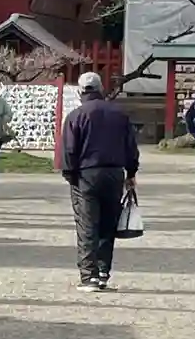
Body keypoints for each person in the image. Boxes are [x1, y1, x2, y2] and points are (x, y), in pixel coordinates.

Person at [59, 70, 139, 291]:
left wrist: (70, 175)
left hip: (86, 175)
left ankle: (89, 276)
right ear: (101, 89)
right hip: (114, 173)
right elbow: (131, 147)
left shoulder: (76, 116)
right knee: (107, 224)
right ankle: (103, 271)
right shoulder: (119, 115)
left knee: (87, 225)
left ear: (80, 91)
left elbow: (69, 150)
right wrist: (131, 172)